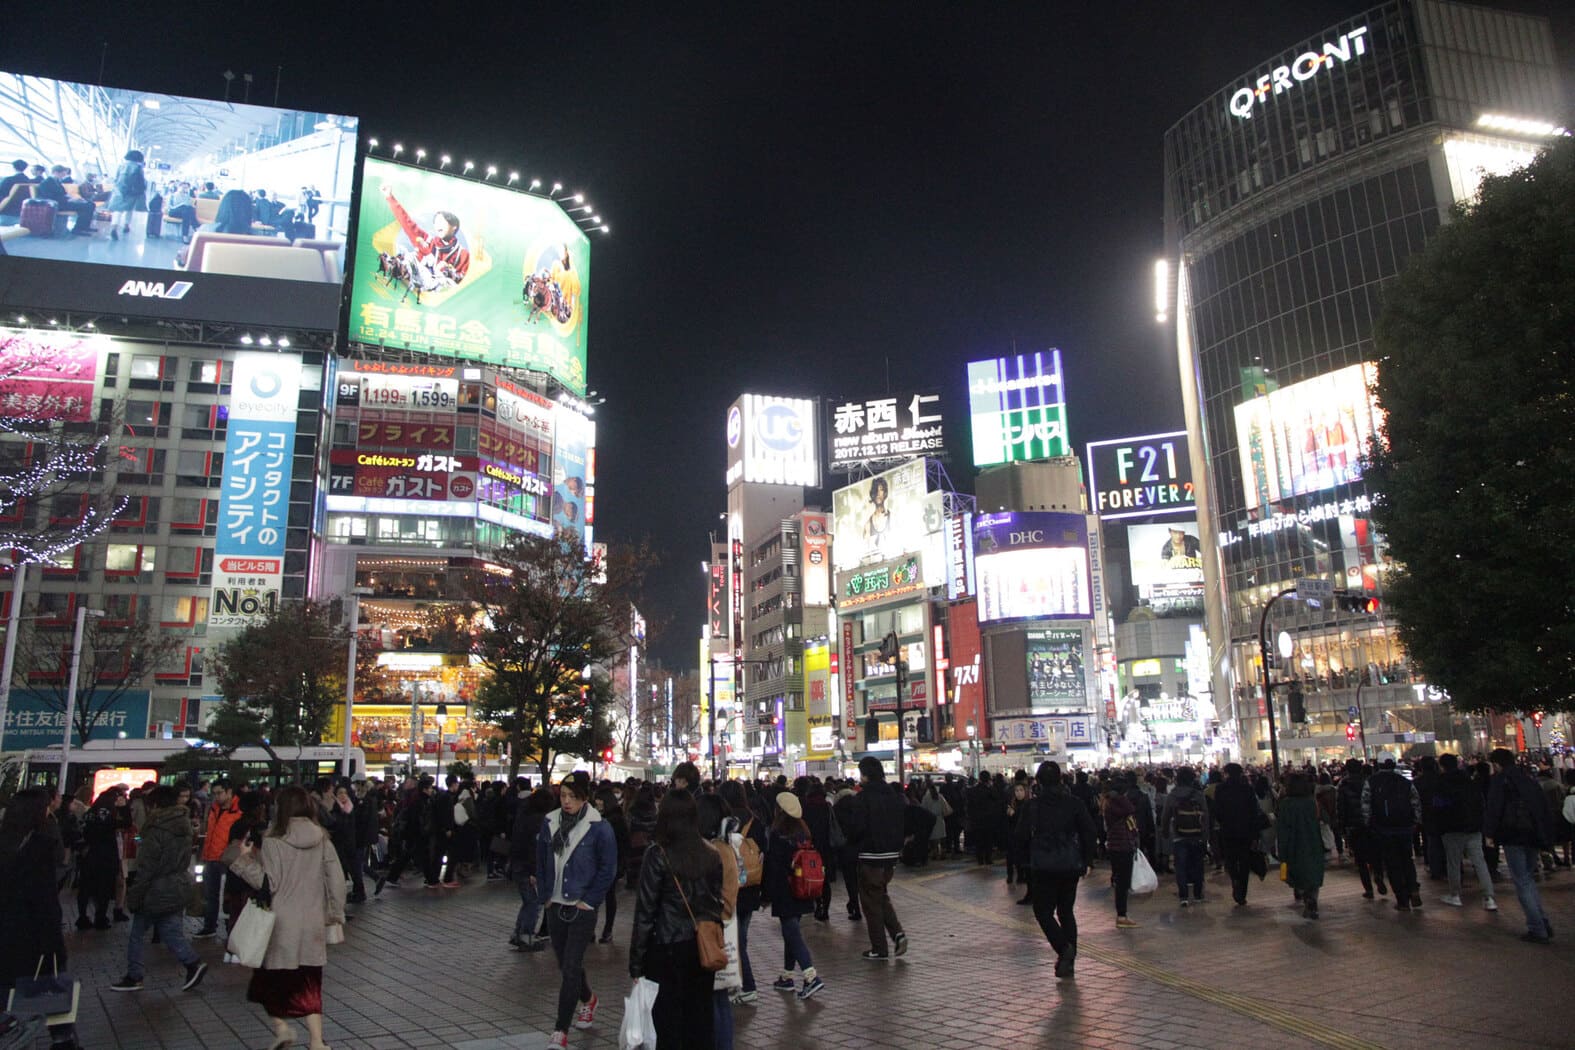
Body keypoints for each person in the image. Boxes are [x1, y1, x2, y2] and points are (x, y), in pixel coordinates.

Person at [227, 784, 346, 1050]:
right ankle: (317, 1042)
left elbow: (270, 883)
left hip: (281, 922)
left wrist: (243, 861)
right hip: (313, 919)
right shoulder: (322, 837)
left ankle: (282, 1029)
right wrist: (335, 913)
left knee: (268, 982)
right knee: (309, 981)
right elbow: (336, 878)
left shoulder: (273, 840)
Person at [630, 790, 724, 1049]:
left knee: (667, 1023)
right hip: (701, 947)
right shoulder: (711, 853)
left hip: (666, 947)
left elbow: (645, 912)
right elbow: (717, 903)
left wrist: (636, 963)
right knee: (700, 1018)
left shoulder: (657, 854)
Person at [536, 774, 618, 1050]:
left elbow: (609, 868)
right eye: (563, 796)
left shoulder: (599, 827)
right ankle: (589, 998)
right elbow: (541, 860)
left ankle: (560, 1030)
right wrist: (545, 896)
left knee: (571, 965)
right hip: (555, 903)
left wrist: (590, 900)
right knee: (565, 964)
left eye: (573, 796)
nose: (567, 802)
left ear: (584, 798)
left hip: (581, 906)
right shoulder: (550, 822)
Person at [0, 789, 80, 1050]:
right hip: (34, 929)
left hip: (8, 928)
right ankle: (63, 1040)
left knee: (7, 981)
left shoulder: (5, 841)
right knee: (50, 982)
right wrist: (53, 940)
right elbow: (45, 898)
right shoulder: (40, 846)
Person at [108, 786, 207, 993]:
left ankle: (134, 975)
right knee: (170, 930)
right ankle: (192, 963)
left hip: (155, 888)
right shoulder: (183, 824)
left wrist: (135, 894)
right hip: (177, 883)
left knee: (137, 933)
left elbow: (148, 865)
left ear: (155, 804)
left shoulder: (156, 828)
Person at [1026, 762, 1097, 979]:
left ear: (1038, 781)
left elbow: (1019, 835)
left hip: (1043, 866)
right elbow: (1089, 831)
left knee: (1043, 911)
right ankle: (1069, 961)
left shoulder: (1034, 806)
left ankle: (1064, 949)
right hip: (1069, 864)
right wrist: (1087, 859)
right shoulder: (1074, 803)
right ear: (1061, 779)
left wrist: (1025, 860)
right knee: (1066, 911)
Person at [834, 756, 908, 960]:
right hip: (891, 856)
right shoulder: (893, 795)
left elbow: (856, 828)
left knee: (870, 902)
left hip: (870, 855)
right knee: (880, 894)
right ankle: (897, 934)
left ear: (865, 774)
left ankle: (879, 947)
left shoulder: (863, 798)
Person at [1484, 749, 1555, 943]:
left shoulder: (1500, 782)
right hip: (1532, 835)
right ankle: (1542, 921)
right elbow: (1542, 807)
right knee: (1528, 878)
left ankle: (1537, 927)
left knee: (1522, 881)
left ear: (1497, 764)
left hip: (1512, 835)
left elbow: (1494, 809)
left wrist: (1489, 833)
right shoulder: (1528, 779)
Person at [762, 792, 824, 1000]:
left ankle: (810, 975)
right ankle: (787, 976)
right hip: (803, 888)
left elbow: (773, 866)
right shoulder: (803, 831)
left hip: (784, 891)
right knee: (791, 931)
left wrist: (766, 894)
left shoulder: (778, 833)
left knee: (792, 933)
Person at [718, 780, 766, 1004]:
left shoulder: (724, 822)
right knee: (741, 937)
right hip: (751, 886)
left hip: (729, 887)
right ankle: (739, 983)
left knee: (735, 939)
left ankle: (747, 985)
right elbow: (764, 851)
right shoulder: (754, 820)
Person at [1436, 753, 1496, 910]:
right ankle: (1489, 897)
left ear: (1442, 766)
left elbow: (1439, 806)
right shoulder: (1470, 781)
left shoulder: (1442, 783)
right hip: (1473, 827)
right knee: (1479, 862)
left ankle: (1455, 894)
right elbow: (1480, 803)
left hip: (1452, 828)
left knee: (1454, 862)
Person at [379, 183, 470, 285]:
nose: (438, 225)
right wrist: (390, 197)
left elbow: (465, 282)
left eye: (442, 222)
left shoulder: (463, 255)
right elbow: (406, 222)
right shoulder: (426, 241)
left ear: (454, 226)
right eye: (436, 222)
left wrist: (447, 273)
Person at [1363, 758, 1422, 911]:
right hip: (1405, 827)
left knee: (1392, 863)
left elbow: (1366, 806)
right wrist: (1415, 822)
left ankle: (1402, 899)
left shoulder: (1372, 782)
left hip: (1383, 829)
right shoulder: (1405, 781)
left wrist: (1368, 824)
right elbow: (1416, 803)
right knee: (1407, 860)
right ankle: (1413, 889)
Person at [194, 779, 241, 938]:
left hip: (228, 859)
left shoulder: (238, 811)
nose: (216, 797)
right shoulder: (213, 809)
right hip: (211, 856)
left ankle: (230, 928)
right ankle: (210, 925)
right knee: (210, 894)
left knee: (228, 895)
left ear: (229, 792)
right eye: (214, 793)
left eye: (220, 793)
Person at [1276, 773, 1326, 919]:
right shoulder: (1311, 802)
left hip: (1293, 845)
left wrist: (1281, 849)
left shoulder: (1286, 804)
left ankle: (1306, 897)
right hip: (1313, 842)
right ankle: (1312, 899)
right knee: (1313, 873)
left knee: (1297, 874)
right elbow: (1323, 819)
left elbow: (1282, 829)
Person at [510, 787, 554, 950]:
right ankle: (525, 936)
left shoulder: (524, 814)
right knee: (533, 903)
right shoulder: (538, 821)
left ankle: (518, 934)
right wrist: (534, 871)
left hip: (518, 864)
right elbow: (534, 848)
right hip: (526, 867)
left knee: (528, 901)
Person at [1337, 759, 1387, 898]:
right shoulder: (1370, 781)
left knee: (1360, 859)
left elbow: (1341, 807)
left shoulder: (1344, 784)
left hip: (1354, 825)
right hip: (1372, 823)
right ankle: (1378, 876)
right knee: (1375, 854)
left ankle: (1368, 889)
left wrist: (1342, 826)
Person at [1214, 763, 1262, 907]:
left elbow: (1218, 811)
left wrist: (1223, 822)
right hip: (1246, 831)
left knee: (1230, 858)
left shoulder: (1221, 789)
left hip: (1228, 830)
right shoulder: (1247, 789)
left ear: (1227, 773)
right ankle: (1242, 891)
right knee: (1245, 861)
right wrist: (1255, 834)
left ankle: (1234, 878)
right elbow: (1254, 812)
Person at [1162, 766, 1210, 905]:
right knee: (1198, 865)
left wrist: (1165, 832)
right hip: (1197, 834)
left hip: (1178, 835)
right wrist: (1206, 836)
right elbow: (1205, 816)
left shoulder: (1172, 795)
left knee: (1180, 866)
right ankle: (1198, 894)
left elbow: (1166, 816)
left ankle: (1183, 896)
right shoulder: (1198, 795)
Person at [593, 786, 630, 944]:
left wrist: (620, 863)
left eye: (599, 801)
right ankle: (598, 930)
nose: (597, 804)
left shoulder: (614, 820)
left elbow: (623, 844)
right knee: (599, 896)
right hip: (600, 862)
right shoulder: (600, 817)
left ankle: (606, 930)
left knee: (607, 896)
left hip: (610, 863)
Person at [1103, 777, 1140, 929]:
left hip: (1114, 846)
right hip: (1123, 846)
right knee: (1123, 883)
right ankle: (1122, 915)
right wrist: (1122, 797)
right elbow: (1131, 809)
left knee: (1121, 882)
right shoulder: (1119, 804)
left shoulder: (1109, 804)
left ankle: (1122, 914)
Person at [33, 165, 95, 235]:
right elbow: (49, 197)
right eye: (62, 174)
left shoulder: (56, 181)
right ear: (56, 172)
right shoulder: (46, 183)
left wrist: (71, 199)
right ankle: (78, 229)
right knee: (87, 206)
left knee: (90, 204)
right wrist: (68, 200)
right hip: (56, 204)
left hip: (62, 202)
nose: (63, 176)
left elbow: (63, 193)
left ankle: (84, 226)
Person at [106, 149, 147, 242]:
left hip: (119, 191)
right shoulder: (138, 167)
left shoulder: (121, 166)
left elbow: (116, 179)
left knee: (117, 210)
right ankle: (126, 226)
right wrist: (142, 189)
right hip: (131, 192)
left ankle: (114, 227)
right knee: (129, 209)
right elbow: (140, 181)